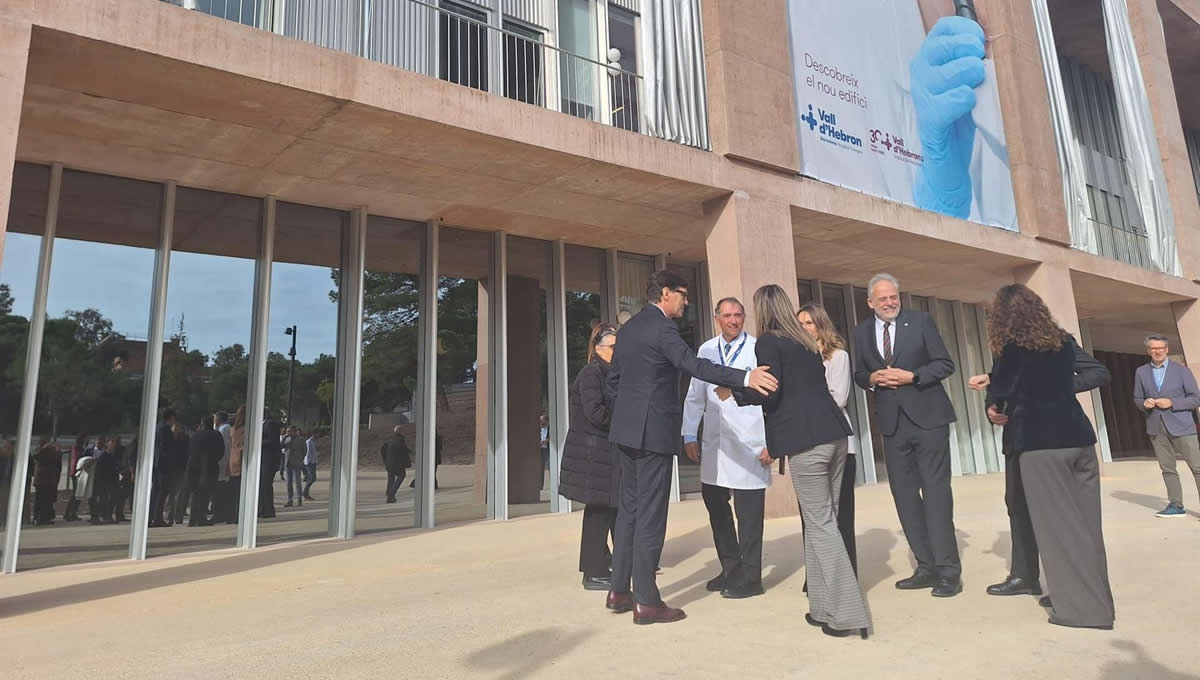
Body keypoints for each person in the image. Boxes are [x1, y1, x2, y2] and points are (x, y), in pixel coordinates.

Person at [604, 270, 778, 625]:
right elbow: (692, 366)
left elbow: (615, 381)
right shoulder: (663, 327)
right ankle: (647, 601)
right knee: (651, 515)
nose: (686, 301)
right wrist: (744, 377)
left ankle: (619, 590)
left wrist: (630, 413)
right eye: (682, 294)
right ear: (665, 293)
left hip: (626, 432)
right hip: (652, 434)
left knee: (629, 512)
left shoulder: (631, 328)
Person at [731, 285, 869, 639]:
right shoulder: (807, 344)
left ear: (761, 309)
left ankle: (848, 615)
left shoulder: (768, 342)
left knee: (820, 523)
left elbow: (770, 389)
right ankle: (822, 608)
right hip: (837, 435)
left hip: (807, 442)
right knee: (825, 519)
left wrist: (736, 390)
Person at [984, 283, 1115, 630]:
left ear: (1002, 317)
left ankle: (1080, 611)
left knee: (1058, 530)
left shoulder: (1011, 349)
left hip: (1041, 444)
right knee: (1087, 528)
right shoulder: (1061, 342)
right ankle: (1098, 602)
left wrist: (993, 395)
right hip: (1080, 441)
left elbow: (1001, 389)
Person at [968, 339, 1110, 600]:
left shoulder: (1057, 340)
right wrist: (992, 406)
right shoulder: (1006, 347)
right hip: (1017, 439)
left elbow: (1098, 372)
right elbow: (1003, 382)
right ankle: (1024, 576)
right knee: (1017, 505)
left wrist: (1056, 389)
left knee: (1058, 513)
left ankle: (1068, 587)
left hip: (1052, 439)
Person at [852, 273, 961, 597]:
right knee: (905, 498)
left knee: (936, 495)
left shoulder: (921, 321)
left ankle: (948, 572)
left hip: (929, 421)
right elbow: (859, 373)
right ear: (871, 302)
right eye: (883, 298)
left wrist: (912, 376)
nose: (890, 302)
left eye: (893, 296)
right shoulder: (861, 332)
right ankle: (925, 567)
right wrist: (871, 377)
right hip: (892, 425)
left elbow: (945, 364)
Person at [682, 298, 770, 599]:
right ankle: (731, 568)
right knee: (716, 508)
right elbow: (695, 396)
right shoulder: (706, 350)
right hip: (715, 444)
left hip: (750, 441)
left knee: (749, 514)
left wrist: (772, 442)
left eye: (738, 315)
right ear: (716, 318)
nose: (733, 320)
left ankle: (751, 576)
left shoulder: (758, 348)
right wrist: (689, 434)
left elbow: (771, 397)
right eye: (727, 315)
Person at [798, 302, 858, 574]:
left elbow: (839, 397)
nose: (804, 328)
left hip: (837, 443)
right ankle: (817, 577)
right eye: (800, 324)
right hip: (807, 444)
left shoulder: (838, 357)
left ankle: (847, 576)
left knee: (840, 516)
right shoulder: (798, 358)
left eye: (809, 323)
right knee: (812, 518)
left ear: (821, 325)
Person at [560, 323, 620, 591]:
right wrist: (626, 421)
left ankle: (614, 562)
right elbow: (595, 413)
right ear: (598, 349)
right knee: (598, 511)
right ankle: (593, 572)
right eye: (613, 347)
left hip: (605, 454)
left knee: (611, 509)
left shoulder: (610, 373)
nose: (618, 351)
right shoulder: (591, 374)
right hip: (593, 455)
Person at [1133, 335, 1200, 518]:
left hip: (1182, 427)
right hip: (1156, 427)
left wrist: (1172, 402)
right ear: (1148, 350)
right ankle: (1176, 505)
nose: (1158, 351)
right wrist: (1144, 403)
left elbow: (1196, 398)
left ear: (1167, 349)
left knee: (1197, 467)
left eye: (1161, 347)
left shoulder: (1181, 371)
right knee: (1168, 468)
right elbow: (1137, 398)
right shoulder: (1141, 372)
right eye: (1154, 348)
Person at [185, 415, 223, 527]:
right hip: (209, 467)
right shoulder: (216, 435)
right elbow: (221, 451)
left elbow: (190, 450)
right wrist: (214, 460)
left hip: (194, 467)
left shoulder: (195, 435)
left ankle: (193, 519)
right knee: (205, 494)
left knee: (195, 494)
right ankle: (201, 518)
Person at [150, 408, 177, 528]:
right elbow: (166, 447)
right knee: (161, 492)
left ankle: (152, 517)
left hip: (156, 464)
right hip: (163, 465)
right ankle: (157, 518)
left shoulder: (156, 427)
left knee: (155, 492)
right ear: (170, 417)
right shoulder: (165, 429)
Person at [32, 441, 61, 525]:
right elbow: (36, 455)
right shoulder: (45, 455)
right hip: (44, 481)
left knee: (43, 501)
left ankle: (41, 517)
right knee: (43, 501)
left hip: (44, 481)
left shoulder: (46, 455)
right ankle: (41, 518)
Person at [259, 409, 282, 519]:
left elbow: (272, 441)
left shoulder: (270, 424)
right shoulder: (264, 423)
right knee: (263, 485)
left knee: (266, 484)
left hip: (269, 458)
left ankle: (268, 510)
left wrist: (258, 441)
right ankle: (262, 509)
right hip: (265, 458)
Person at [382, 426, 411, 504]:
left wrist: (385, 461)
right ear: (400, 432)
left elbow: (383, 450)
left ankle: (389, 493)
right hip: (397, 464)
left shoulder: (389, 440)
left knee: (391, 477)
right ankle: (391, 494)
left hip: (389, 463)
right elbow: (404, 451)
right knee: (402, 475)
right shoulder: (400, 440)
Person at [227, 406, 246, 525]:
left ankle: (231, 516)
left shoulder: (233, 429)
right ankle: (239, 515)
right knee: (241, 491)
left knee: (233, 491)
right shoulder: (247, 429)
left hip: (233, 459)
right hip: (243, 459)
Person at [214, 411, 233, 522]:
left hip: (222, 461)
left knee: (221, 489)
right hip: (224, 461)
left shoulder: (224, 429)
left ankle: (220, 513)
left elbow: (224, 446)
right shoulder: (225, 428)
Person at [303, 430, 319, 501]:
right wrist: (309, 462)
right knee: (312, 478)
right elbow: (308, 452)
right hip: (310, 462)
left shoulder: (313, 442)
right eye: (316, 434)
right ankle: (305, 493)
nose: (317, 435)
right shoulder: (308, 442)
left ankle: (306, 493)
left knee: (311, 478)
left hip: (313, 461)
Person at [539, 415, 550, 491]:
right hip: (540, 450)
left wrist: (547, 440)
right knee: (540, 468)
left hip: (548, 450)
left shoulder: (550, 429)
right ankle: (540, 486)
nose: (541, 422)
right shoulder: (539, 429)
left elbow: (552, 437)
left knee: (550, 467)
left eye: (543, 420)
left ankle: (553, 484)